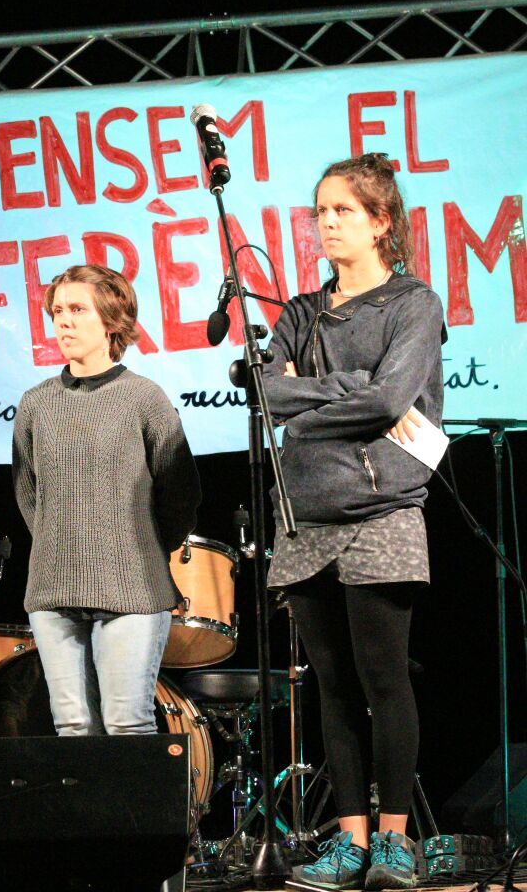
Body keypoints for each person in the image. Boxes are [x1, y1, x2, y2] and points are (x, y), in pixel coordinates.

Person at [262, 153, 444, 891]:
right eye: (320, 211)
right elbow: (271, 396)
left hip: (383, 508)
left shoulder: (412, 303)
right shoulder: (300, 313)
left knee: (384, 677)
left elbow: (391, 399)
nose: (326, 224)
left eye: (342, 211)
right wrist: (345, 389)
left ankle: (396, 842)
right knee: (330, 685)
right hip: (306, 513)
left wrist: (321, 402)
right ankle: (349, 842)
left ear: (381, 222)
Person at [13, 265, 201, 744]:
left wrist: (137, 549)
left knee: (127, 725)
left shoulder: (143, 398)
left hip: (131, 589)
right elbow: (28, 493)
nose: (64, 322)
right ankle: (93, 824)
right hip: (53, 588)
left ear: (112, 321)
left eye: (78, 310)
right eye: (58, 311)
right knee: (73, 727)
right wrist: (63, 545)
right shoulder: (36, 404)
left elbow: (180, 493)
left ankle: (142, 824)